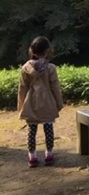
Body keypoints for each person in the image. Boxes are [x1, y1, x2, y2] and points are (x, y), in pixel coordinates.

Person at [17, 36, 64, 167]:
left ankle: (32, 157)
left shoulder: (25, 68)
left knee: (31, 130)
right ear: (47, 50)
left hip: (31, 102)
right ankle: (49, 155)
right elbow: (55, 87)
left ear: (32, 50)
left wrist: (21, 106)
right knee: (48, 127)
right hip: (47, 100)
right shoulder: (50, 68)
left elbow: (22, 88)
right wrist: (59, 103)